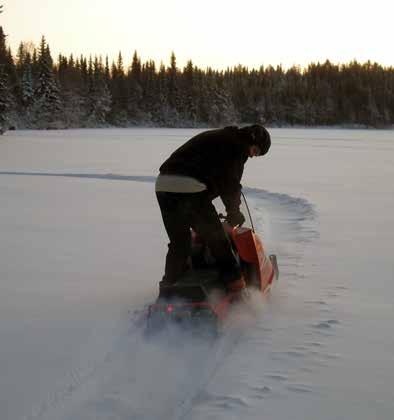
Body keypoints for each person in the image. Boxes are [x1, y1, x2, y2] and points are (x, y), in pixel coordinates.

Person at [156, 124, 271, 295]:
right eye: (255, 151)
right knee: (217, 239)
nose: (252, 156)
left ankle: (168, 289)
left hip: (163, 185)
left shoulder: (219, 137)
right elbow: (230, 185)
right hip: (189, 187)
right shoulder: (236, 147)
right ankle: (237, 289)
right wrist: (234, 215)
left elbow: (218, 178)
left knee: (179, 243)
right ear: (251, 140)